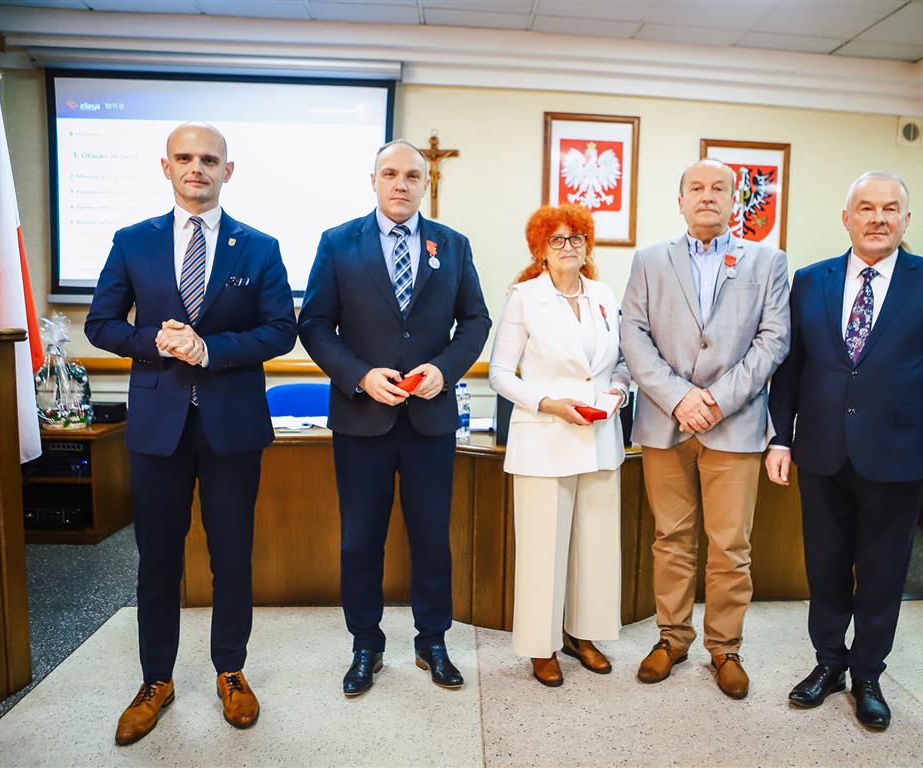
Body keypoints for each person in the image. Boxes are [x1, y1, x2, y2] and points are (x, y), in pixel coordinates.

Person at [85, 123, 297, 745]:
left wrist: (210, 349)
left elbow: (280, 331)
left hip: (232, 424)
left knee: (232, 556)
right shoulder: (133, 241)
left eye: (209, 158)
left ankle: (230, 670)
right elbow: (100, 324)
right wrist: (154, 340)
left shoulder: (259, 247)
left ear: (228, 171)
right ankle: (156, 679)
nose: (196, 167)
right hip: (159, 426)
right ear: (166, 167)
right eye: (184, 157)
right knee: (158, 559)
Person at [766, 170, 923, 731]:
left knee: (882, 572)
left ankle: (867, 674)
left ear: (906, 219)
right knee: (825, 566)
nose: (877, 218)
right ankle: (828, 663)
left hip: (898, 456)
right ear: (846, 218)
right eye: (865, 208)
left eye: (889, 209)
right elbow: (791, 368)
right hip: (821, 452)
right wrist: (780, 436)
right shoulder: (811, 280)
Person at [298, 140, 490, 697]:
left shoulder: (452, 245)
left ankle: (432, 641)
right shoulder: (338, 243)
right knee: (360, 542)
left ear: (425, 184)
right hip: (362, 418)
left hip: (430, 419)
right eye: (390, 174)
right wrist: (360, 376)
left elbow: (476, 321)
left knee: (432, 539)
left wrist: (444, 370)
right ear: (374, 181)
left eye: (411, 175)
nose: (400, 183)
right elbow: (314, 325)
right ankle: (366, 643)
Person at [620, 159, 790, 699]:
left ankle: (725, 648)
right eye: (696, 187)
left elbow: (774, 340)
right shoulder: (649, 260)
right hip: (665, 423)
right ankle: (672, 639)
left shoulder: (768, 261)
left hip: (734, 424)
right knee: (670, 539)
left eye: (719, 187)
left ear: (733, 200)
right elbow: (633, 335)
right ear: (681, 201)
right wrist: (679, 398)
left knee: (731, 546)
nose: (708, 195)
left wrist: (715, 400)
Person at [488, 205, 630, 687]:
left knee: (595, 545)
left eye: (577, 238)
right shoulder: (525, 298)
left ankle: (582, 634)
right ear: (540, 250)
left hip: (600, 437)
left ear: (588, 245)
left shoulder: (603, 294)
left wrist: (619, 391)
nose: (568, 247)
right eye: (557, 240)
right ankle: (540, 644)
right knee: (543, 550)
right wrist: (548, 403)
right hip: (545, 437)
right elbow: (500, 374)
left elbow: (618, 362)